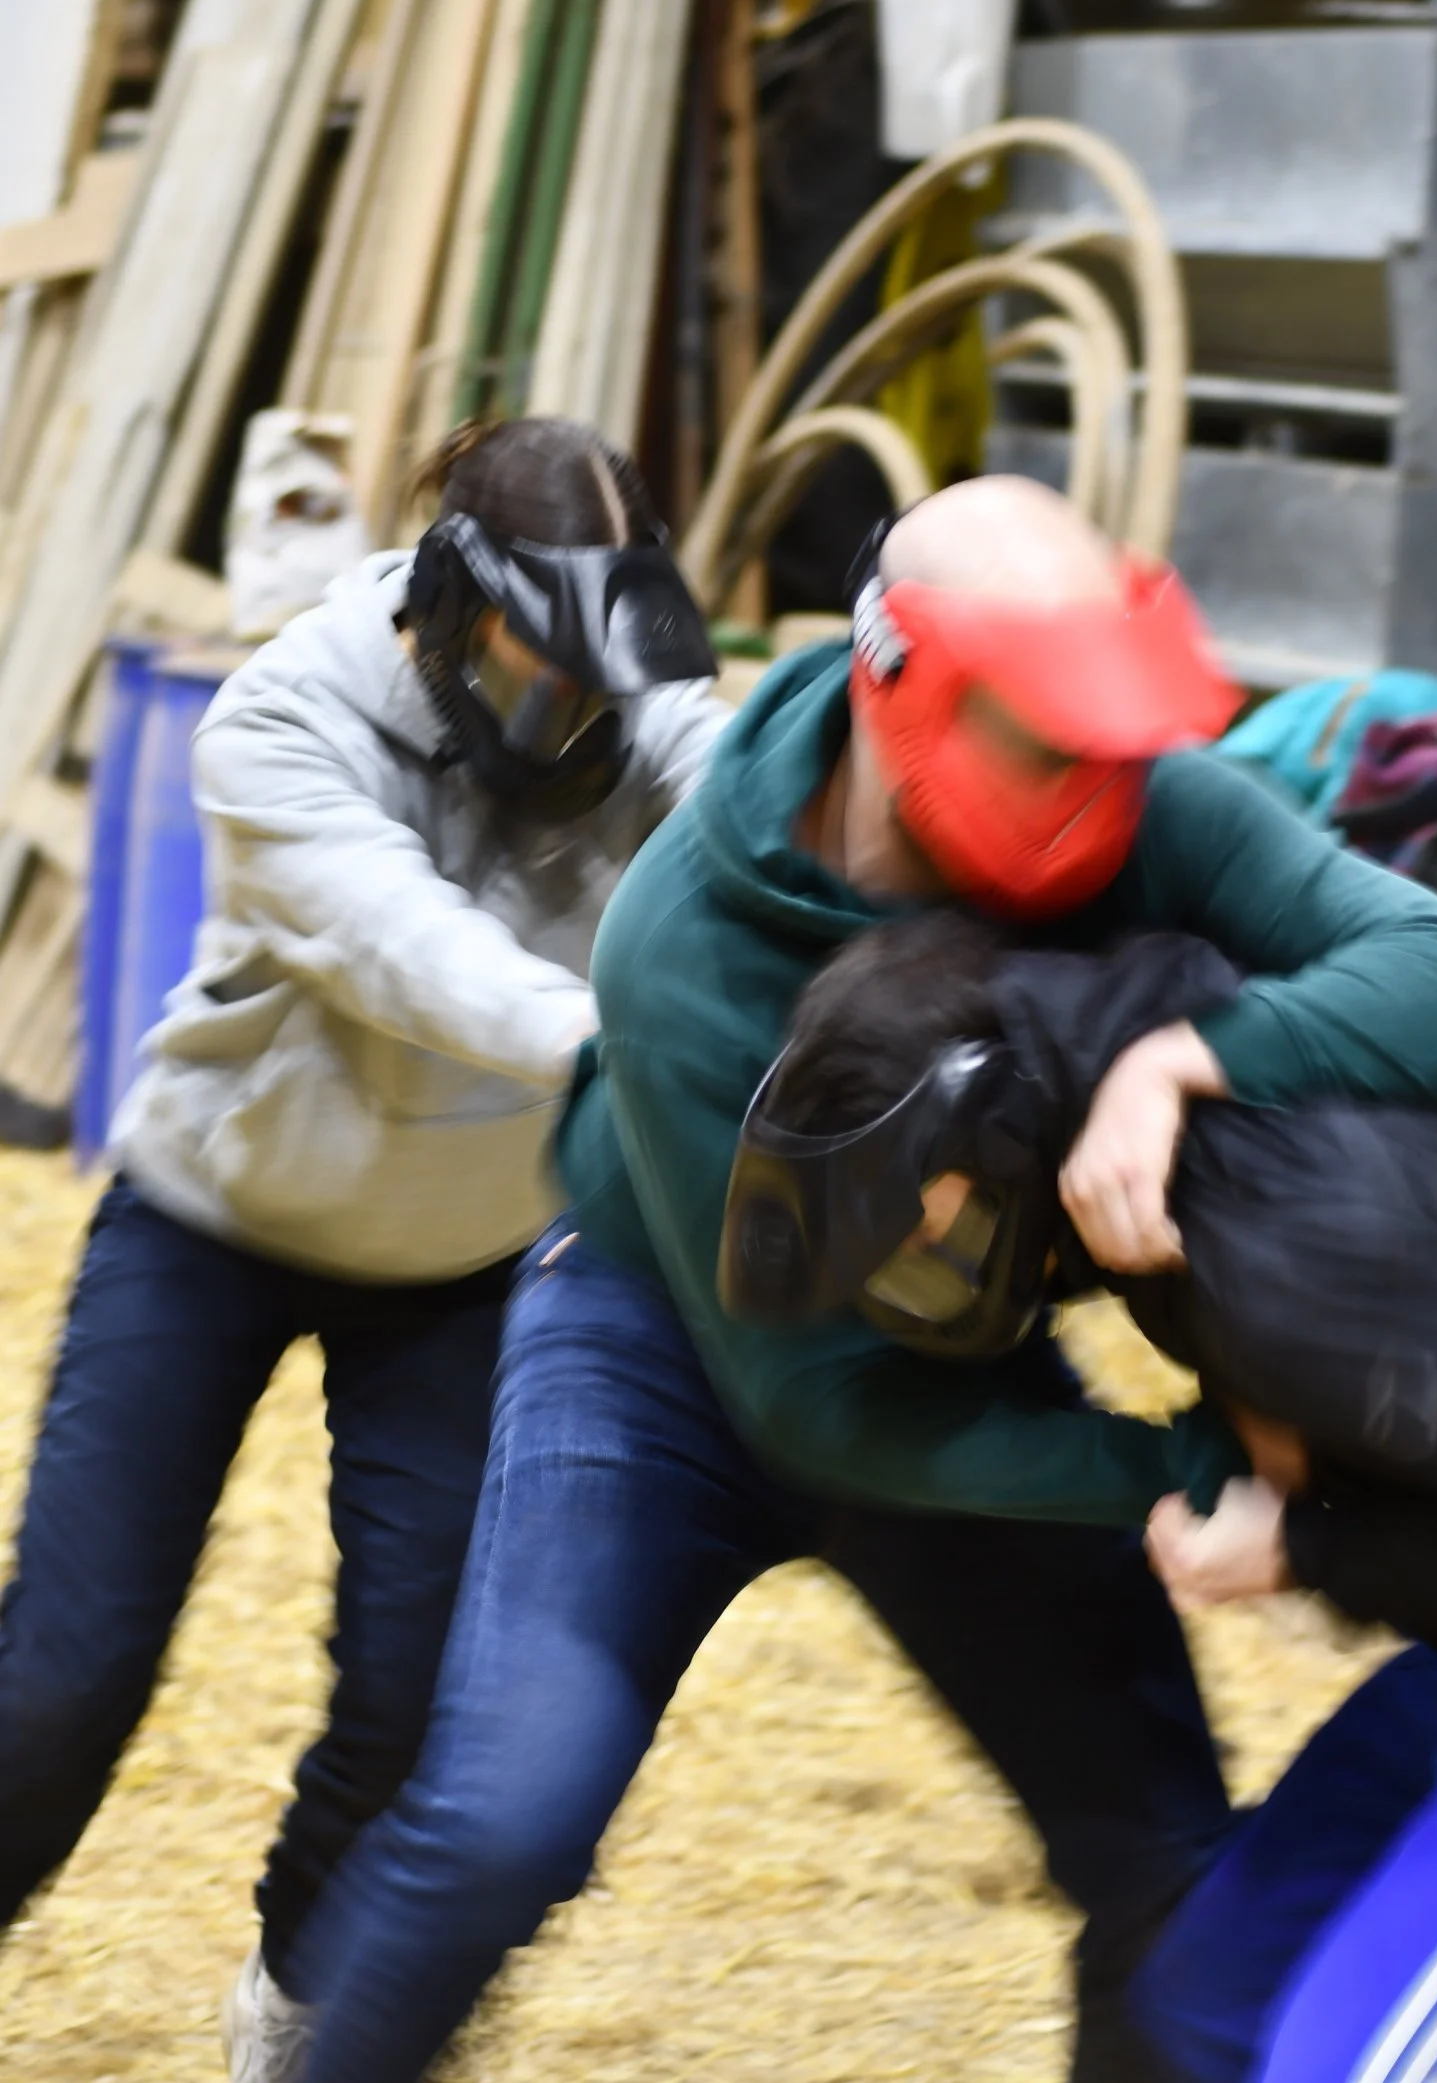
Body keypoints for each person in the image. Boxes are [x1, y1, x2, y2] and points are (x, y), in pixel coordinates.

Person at [288, 477, 1437, 2083]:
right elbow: (813, 1409)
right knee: (502, 1817)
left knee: (1164, 1860)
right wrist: (1180, 1461)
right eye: (1043, 738)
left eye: (1109, 735)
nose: (1093, 782)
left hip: (953, 1334)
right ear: (894, 688)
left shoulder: (1142, 793)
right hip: (662, 1347)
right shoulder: (682, 939)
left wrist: (1188, 1057)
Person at [0, 416, 727, 2083]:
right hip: (213, 1222)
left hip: (468, 1260)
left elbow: (754, 797)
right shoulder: (282, 713)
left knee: (416, 1703)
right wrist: (654, 1050)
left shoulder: (625, 688)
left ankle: (310, 1998)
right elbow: (413, 954)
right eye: (540, 682)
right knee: (65, 1674)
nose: (576, 728)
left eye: (601, 691)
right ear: (446, 614)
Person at [728, 904, 1437, 2083]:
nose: (932, 1273)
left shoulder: (1281, 1242)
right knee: (1195, 2002)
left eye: (931, 1233)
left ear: (1002, 1134)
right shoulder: (1151, 1115)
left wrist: (1307, 1550)